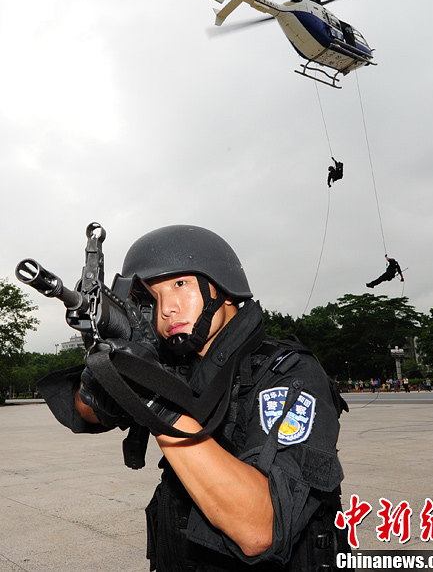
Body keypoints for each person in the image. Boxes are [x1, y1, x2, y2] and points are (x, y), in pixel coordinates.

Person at [37, 225, 351, 572]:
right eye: (152, 299)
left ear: (223, 289)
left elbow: (261, 528)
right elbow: (85, 413)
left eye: (180, 285)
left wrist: (154, 400)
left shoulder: (288, 373)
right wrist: (104, 371)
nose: (167, 309)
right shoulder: (178, 367)